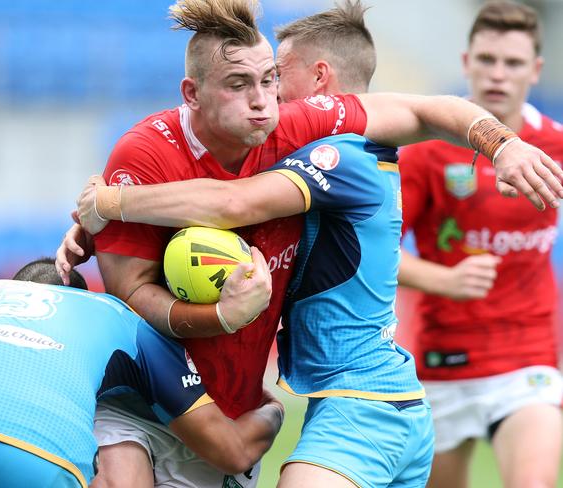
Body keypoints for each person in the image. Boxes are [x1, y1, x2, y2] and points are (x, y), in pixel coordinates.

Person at [57, 1, 563, 486]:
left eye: (274, 76)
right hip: (349, 396)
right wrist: (109, 221)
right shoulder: (214, 145)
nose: (265, 99)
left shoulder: (339, 156)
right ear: (193, 92)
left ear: (320, 81)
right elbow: (144, 269)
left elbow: (233, 205)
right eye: (243, 83)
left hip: (363, 402)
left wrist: (112, 202)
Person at [0, 258, 284, 488]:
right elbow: (231, 452)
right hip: (43, 453)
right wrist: (273, 411)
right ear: (82, 295)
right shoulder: (117, 316)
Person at [396, 2, 563, 487]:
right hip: (444, 359)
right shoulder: (427, 152)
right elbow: (371, 247)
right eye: (487, 60)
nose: (498, 74)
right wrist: (442, 279)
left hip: (526, 356)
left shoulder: (555, 144)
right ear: (467, 61)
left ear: (535, 71)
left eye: (512, 63)